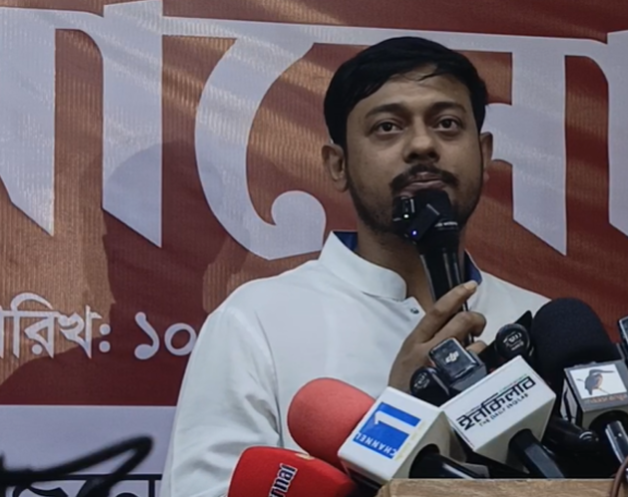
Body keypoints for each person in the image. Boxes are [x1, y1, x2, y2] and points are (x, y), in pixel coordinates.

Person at [160, 36, 549, 497]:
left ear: (484, 154)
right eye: (387, 127)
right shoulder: (255, 322)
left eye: (447, 124)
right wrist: (395, 419)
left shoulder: (544, 326)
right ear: (338, 165)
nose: (423, 144)